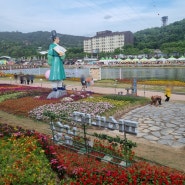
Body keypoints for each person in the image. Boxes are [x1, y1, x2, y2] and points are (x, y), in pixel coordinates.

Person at [47, 30, 67, 98]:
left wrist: (63, 56)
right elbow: (50, 54)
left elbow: (63, 54)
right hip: (55, 61)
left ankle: (60, 86)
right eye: (58, 38)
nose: (59, 40)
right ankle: (54, 87)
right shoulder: (51, 46)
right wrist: (50, 61)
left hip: (59, 61)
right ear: (55, 39)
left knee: (60, 74)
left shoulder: (59, 46)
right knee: (55, 75)